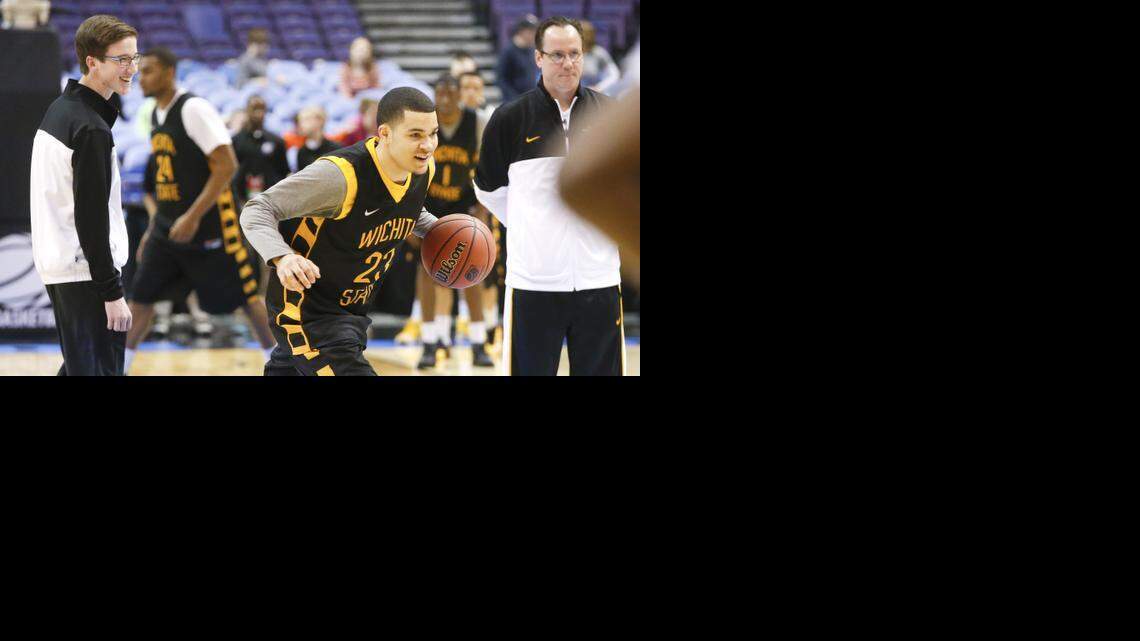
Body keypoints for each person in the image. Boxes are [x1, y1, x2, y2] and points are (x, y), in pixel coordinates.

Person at [240, 87, 441, 376]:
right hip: (306, 313)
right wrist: (283, 257)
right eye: (415, 135)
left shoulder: (422, 170)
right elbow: (258, 208)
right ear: (384, 133)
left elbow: (405, 210)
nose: (427, 145)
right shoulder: (341, 177)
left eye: (432, 133)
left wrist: (439, 230)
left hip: (351, 312)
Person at [474, 17, 625, 376]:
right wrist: (531, 226)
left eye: (574, 54)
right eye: (557, 55)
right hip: (533, 284)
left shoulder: (610, 117)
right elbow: (486, 188)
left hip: (599, 281)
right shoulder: (509, 118)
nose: (568, 63)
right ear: (538, 58)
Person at [124, 46, 276, 373]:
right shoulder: (153, 114)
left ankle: (279, 362)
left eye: (148, 70)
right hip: (168, 227)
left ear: (168, 72)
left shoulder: (193, 109)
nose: (140, 77)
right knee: (141, 297)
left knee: (249, 299)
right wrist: (154, 228)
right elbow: (165, 183)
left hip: (212, 227)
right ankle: (119, 366)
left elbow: (227, 165)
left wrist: (193, 216)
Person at [29, 14, 136, 375]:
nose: (131, 68)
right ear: (92, 62)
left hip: (64, 267)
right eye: (121, 60)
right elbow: (91, 218)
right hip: (85, 273)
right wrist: (112, 293)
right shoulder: (90, 129)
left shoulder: (62, 111)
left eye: (134, 58)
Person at [415, 73, 493, 369]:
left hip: (465, 208)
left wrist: (483, 210)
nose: (445, 98)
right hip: (429, 208)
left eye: (451, 92)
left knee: (471, 273)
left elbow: (488, 169)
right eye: (440, 93)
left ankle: (477, 342)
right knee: (426, 273)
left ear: (460, 94)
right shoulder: (424, 123)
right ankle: (429, 341)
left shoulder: (476, 123)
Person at [231, 95, 290, 209]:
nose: (258, 113)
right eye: (254, 109)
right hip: (241, 199)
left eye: (262, 109)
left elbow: (283, 171)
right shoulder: (235, 141)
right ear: (247, 111)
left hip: (270, 200)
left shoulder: (277, 142)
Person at [495, 15, 538, 104]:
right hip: (514, 102)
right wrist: (513, 99)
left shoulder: (531, 50)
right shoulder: (508, 51)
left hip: (530, 101)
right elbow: (501, 79)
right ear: (522, 31)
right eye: (531, 31)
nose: (534, 35)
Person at [291, 105, 341, 173]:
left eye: (306, 119)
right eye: (300, 120)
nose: (301, 124)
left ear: (320, 121)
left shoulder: (336, 149)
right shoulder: (301, 152)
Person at [580, 20, 621, 95]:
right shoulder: (570, 54)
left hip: (595, 96)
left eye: (586, 34)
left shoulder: (599, 53)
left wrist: (599, 87)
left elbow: (614, 75)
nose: (583, 37)